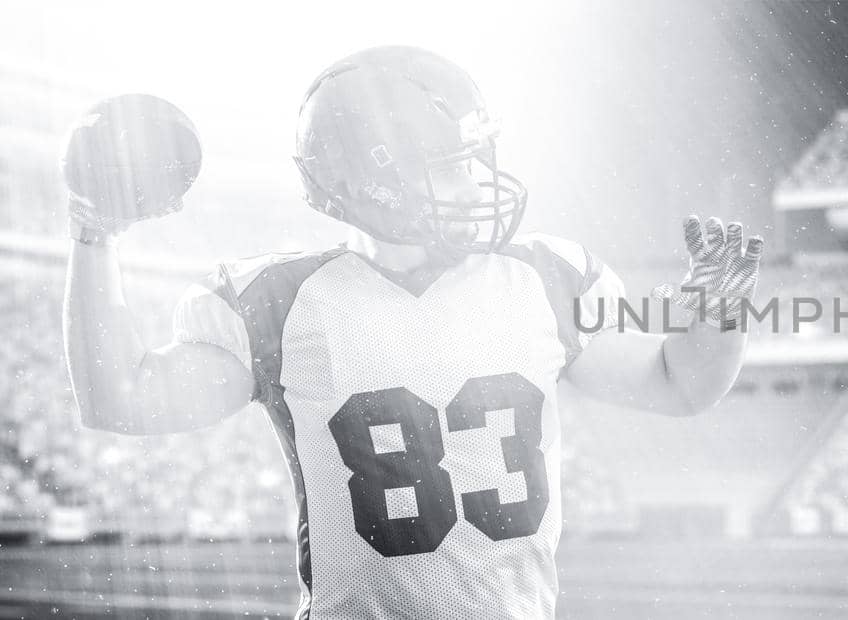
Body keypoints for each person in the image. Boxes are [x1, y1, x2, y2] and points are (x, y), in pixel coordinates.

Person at [61, 45, 760, 619]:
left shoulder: (545, 275)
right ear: (373, 179)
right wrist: (96, 235)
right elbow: (119, 399)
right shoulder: (279, 301)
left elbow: (681, 383)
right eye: (452, 169)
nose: (474, 184)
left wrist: (722, 315)